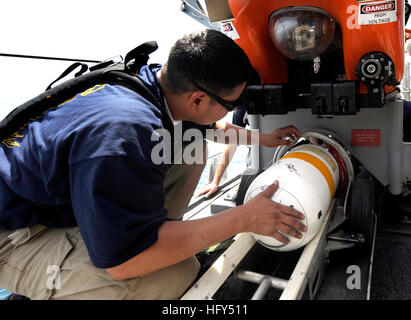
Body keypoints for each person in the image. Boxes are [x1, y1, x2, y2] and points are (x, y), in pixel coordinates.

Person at [0, 29, 306, 300]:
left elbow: (213, 129)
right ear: (198, 100)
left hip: (58, 197)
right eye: (230, 105)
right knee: (175, 275)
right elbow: (124, 262)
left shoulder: (162, 87)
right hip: (16, 234)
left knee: (194, 146)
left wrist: (263, 139)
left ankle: (162, 236)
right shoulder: (123, 136)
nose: (230, 113)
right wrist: (244, 219)